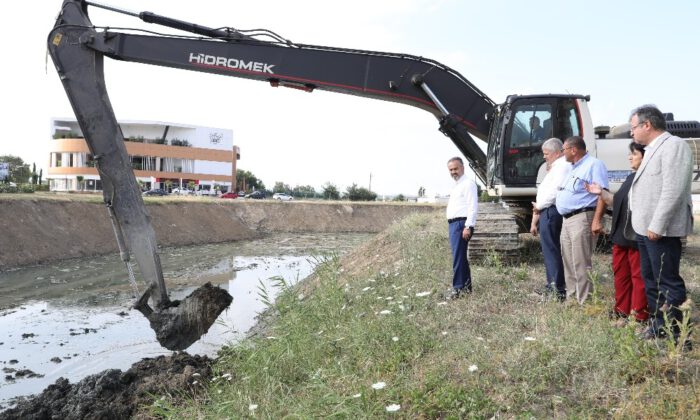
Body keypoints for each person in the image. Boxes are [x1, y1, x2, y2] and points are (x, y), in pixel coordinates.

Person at [627, 105, 693, 343]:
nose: (631, 133)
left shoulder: (673, 146)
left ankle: (678, 332)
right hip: (645, 228)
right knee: (651, 279)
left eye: (633, 127)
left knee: (667, 280)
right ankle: (659, 325)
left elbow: (672, 190)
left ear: (647, 125)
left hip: (659, 229)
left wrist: (658, 224)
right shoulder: (652, 149)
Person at [586, 142, 648, 326]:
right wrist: (601, 192)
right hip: (621, 235)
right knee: (621, 274)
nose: (630, 157)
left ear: (646, 157)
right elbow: (616, 201)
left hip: (636, 236)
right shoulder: (630, 177)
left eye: (634, 154)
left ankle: (639, 315)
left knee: (638, 277)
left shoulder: (648, 179)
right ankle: (621, 311)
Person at [555, 136, 609, 304]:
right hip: (568, 219)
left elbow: (603, 194)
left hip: (582, 217)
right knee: (569, 261)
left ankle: (585, 302)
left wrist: (596, 220)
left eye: (563, 149)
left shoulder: (594, 164)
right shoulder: (572, 168)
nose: (562, 153)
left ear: (573, 149)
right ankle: (572, 299)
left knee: (580, 261)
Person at [530, 138, 571, 300]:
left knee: (551, 249)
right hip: (547, 210)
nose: (544, 157)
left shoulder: (562, 167)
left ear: (556, 153)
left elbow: (555, 192)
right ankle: (552, 284)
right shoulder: (556, 167)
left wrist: (540, 206)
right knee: (549, 250)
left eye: (546, 154)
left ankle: (557, 287)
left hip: (550, 210)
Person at [445, 157, 478, 299]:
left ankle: (458, 289)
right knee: (460, 257)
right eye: (451, 170)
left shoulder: (468, 184)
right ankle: (466, 287)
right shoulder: (457, 185)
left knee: (458, 258)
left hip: (461, 224)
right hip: (455, 224)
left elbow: (472, 206)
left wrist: (468, 226)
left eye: (456, 168)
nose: (453, 172)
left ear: (463, 168)